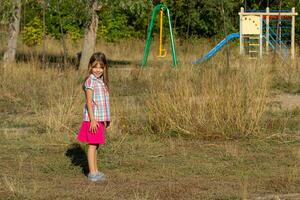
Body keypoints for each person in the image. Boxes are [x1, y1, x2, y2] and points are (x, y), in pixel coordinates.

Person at [77, 52, 110, 182]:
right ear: (90, 66)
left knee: (96, 145)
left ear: (105, 68)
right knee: (92, 145)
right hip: (93, 120)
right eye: (95, 67)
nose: (98, 70)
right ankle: (92, 173)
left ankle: (95, 170)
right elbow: (89, 102)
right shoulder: (90, 81)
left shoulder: (101, 82)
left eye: (101, 67)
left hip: (100, 119)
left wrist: (106, 120)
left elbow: (104, 103)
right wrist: (93, 120)